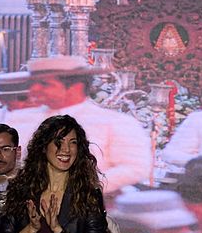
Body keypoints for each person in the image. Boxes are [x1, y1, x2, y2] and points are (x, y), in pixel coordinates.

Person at [25, 55, 153, 189]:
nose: (34, 89)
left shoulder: (114, 123)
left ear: (76, 87)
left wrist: (79, 189)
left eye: (44, 84)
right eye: (32, 83)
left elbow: (135, 167)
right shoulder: (26, 119)